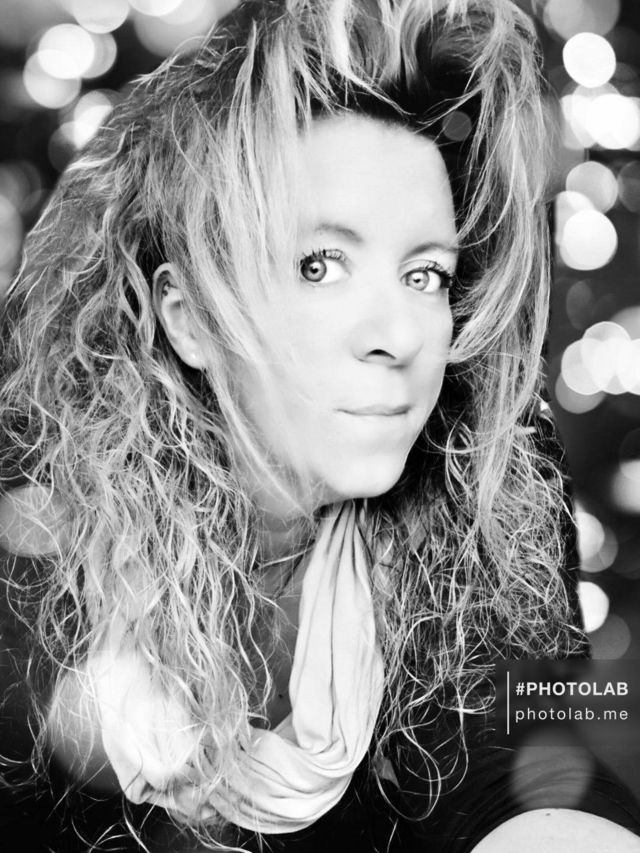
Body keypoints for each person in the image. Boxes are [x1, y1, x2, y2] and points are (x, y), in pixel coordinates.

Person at [1, 0, 639, 851]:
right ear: (187, 318)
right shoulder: (35, 570)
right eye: (320, 264)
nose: (399, 335)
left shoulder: (495, 489)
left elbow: (530, 754)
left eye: (426, 273)